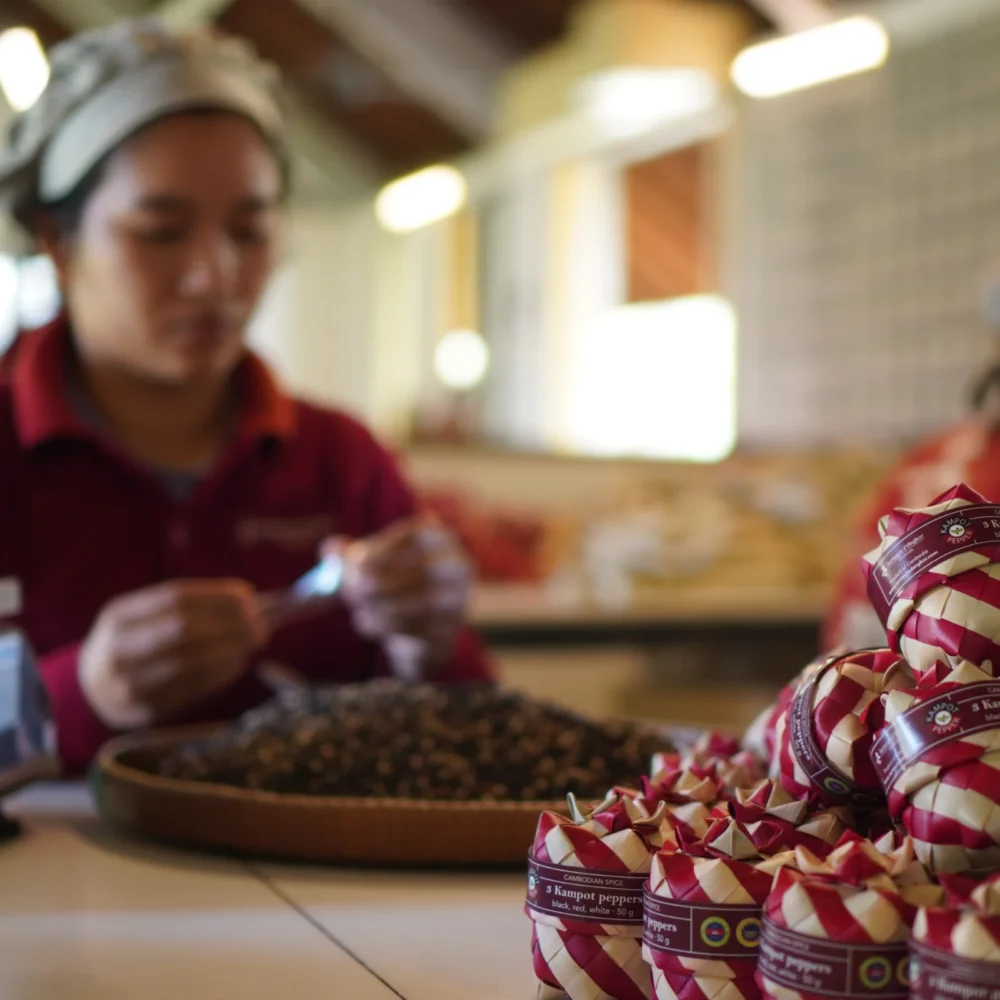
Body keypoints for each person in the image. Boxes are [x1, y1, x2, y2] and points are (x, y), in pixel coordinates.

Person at [0, 18, 491, 774]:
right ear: (57, 244)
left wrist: (427, 645)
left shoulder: (337, 460)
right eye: (160, 232)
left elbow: (477, 739)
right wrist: (80, 692)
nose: (214, 277)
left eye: (249, 231)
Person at [824, 361, 1000, 651]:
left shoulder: (935, 451)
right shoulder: (971, 460)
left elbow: (866, 544)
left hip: (880, 633)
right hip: (954, 641)